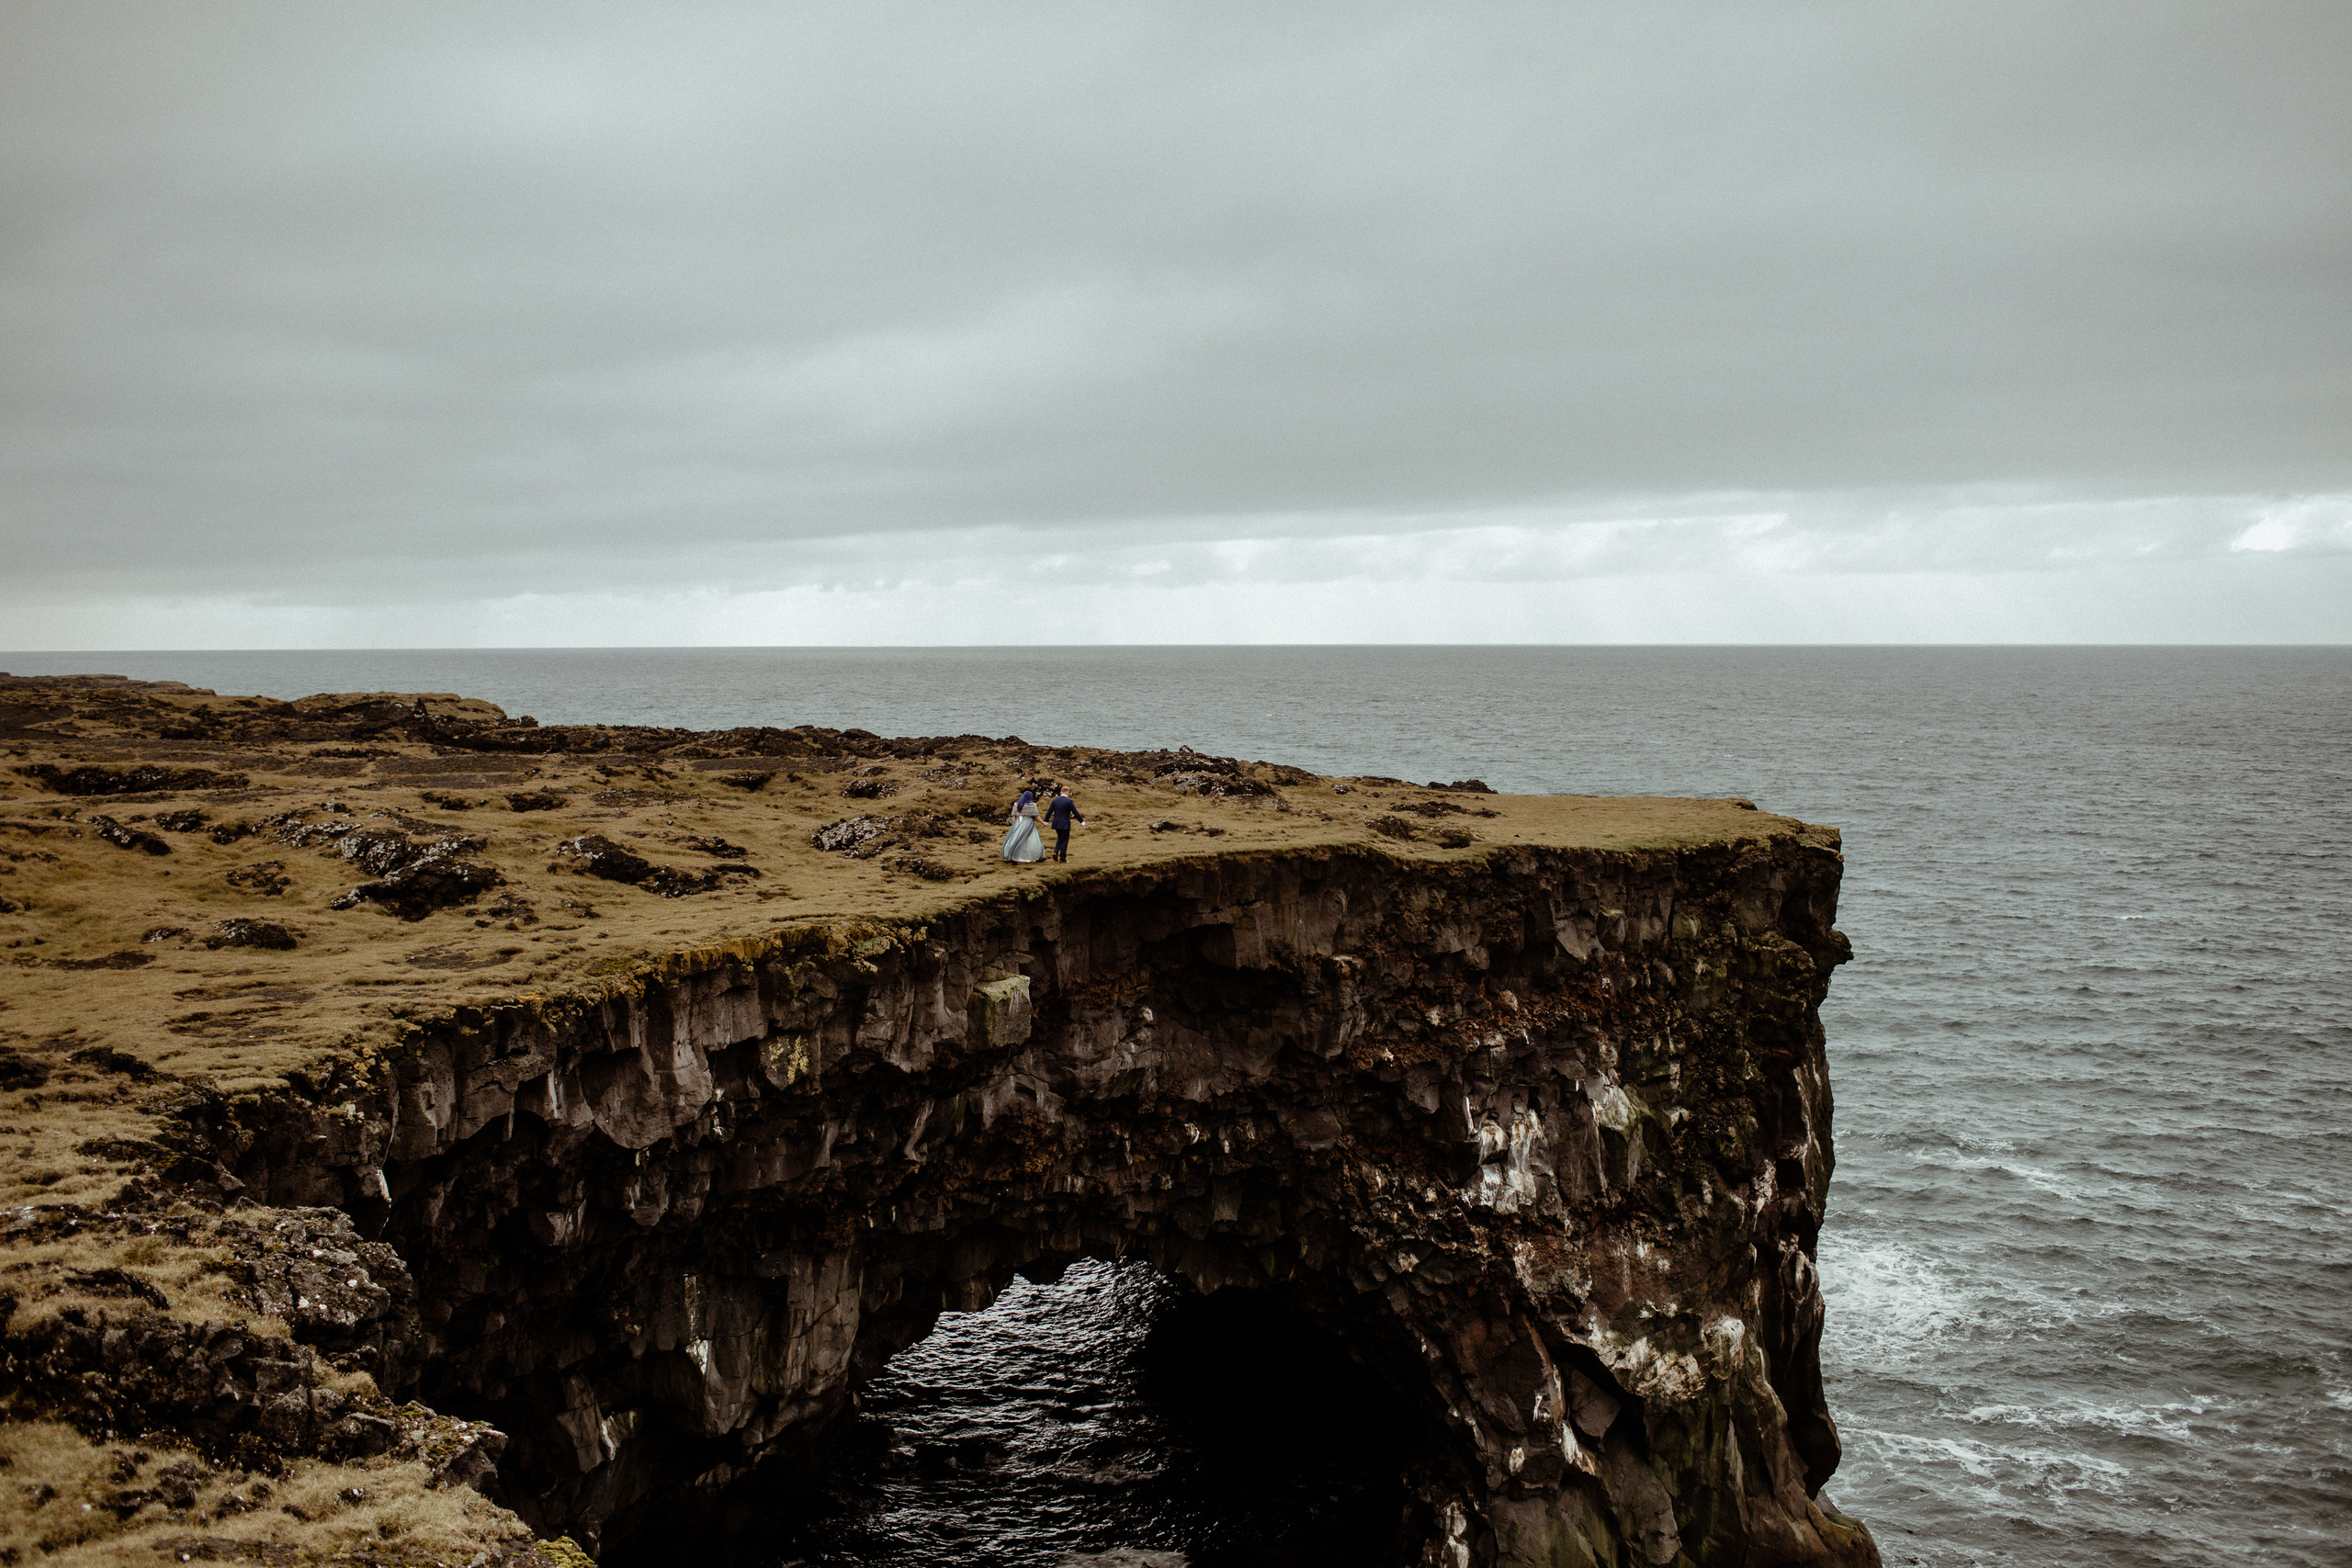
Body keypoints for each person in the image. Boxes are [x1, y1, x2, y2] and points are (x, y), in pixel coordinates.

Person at [1001, 787, 1045, 863]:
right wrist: (1042, 822)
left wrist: (1014, 824)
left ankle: (1013, 854)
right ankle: (1030, 856)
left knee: (1016, 838)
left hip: (1018, 822)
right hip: (1028, 823)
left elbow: (1014, 815)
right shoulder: (1032, 805)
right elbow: (1036, 816)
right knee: (1030, 839)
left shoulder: (1017, 804)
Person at [1045, 786, 1085, 863]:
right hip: (1065, 824)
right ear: (1068, 793)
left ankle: (1055, 851)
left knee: (1060, 838)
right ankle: (1062, 859)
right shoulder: (1069, 801)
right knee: (1064, 840)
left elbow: (1049, 811)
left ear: (1061, 792)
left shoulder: (1054, 801)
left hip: (1056, 823)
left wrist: (1046, 821)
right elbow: (1075, 812)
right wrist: (1082, 821)